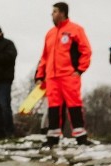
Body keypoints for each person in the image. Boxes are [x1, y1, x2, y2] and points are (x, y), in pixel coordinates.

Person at [35, 2, 92, 146]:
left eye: (54, 12)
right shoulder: (50, 33)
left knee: (74, 104)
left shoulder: (76, 30)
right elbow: (44, 57)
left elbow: (86, 50)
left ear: (62, 12)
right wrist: (40, 75)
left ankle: (81, 137)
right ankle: (53, 136)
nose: (52, 15)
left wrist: (79, 70)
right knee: (54, 106)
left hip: (69, 75)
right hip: (52, 77)